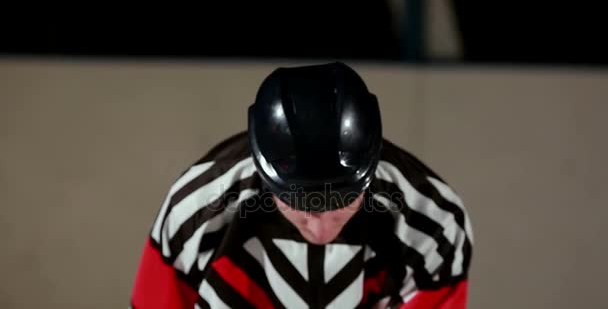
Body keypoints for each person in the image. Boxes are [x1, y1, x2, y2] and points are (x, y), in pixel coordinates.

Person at [129, 62, 474, 308]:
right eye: (301, 205)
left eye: (344, 201)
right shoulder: (197, 210)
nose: (322, 229)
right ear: (265, 179)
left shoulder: (435, 224)